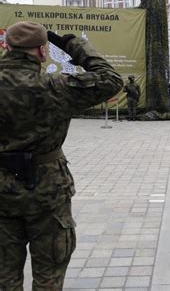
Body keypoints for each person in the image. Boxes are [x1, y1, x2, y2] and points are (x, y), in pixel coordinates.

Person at [0, 21, 122, 289]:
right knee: (49, 278)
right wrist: (72, 45)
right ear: (43, 51)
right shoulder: (56, 86)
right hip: (47, 192)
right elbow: (111, 80)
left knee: (4, 279)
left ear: (6, 47)